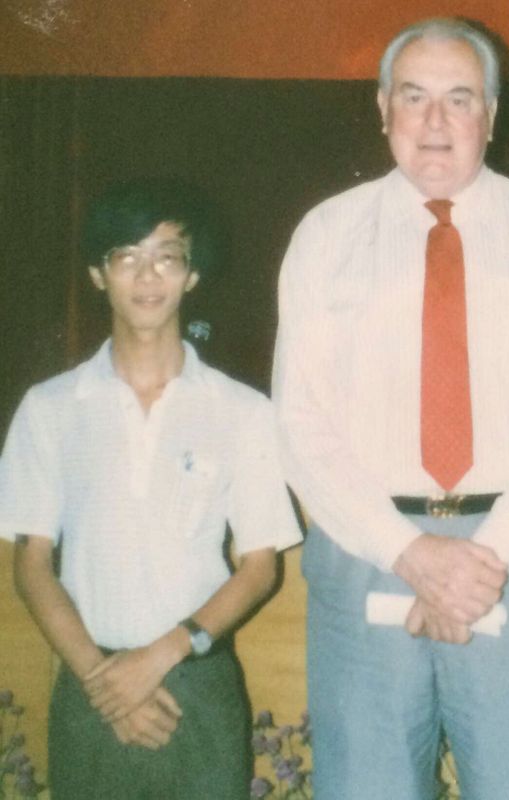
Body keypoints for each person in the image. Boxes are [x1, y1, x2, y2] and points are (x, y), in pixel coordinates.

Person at [272, 17, 509, 800]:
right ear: (382, 106)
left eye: (460, 99)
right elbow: (300, 421)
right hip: (366, 559)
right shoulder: (326, 236)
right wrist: (411, 554)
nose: (435, 121)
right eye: (414, 96)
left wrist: (483, 561)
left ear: (493, 112)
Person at [0, 178, 302, 799]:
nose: (147, 275)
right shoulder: (50, 408)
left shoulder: (242, 410)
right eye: (126, 256)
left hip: (198, 680)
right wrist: (104, 681)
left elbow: (259, 566)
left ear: (191, 276)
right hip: (91, 681)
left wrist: (160, 656)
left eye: (167, 255)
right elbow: (31, 565)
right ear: (97, 273)